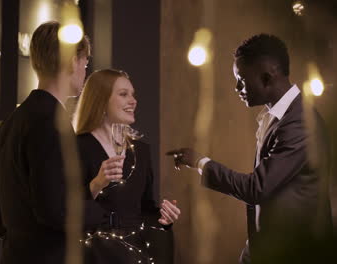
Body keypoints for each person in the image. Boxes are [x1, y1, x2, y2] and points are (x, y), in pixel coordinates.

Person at [167, 34, 332, 263]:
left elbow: (256, 188)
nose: (236, 88)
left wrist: (199, 162)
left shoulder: (299, 123)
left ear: (266, 78)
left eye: (241, 80)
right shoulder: (277, 117)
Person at [0, 21, 108, 264]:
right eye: (85, 63)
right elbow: (56, 211)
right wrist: (105, 215)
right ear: (72, 61)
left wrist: (21, 237)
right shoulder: (53, 123)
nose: (85, 71)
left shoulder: (10, 123)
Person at [74, 69, 181, 264]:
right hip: (91, 256)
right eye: (123, 94)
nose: (133, 101)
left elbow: (146, 209)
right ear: (101, 100)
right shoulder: (76, 147)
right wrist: (96, 184)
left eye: (133, 94)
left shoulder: (141, 151)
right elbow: (62, 210)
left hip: (134, 254)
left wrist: (164, 219)